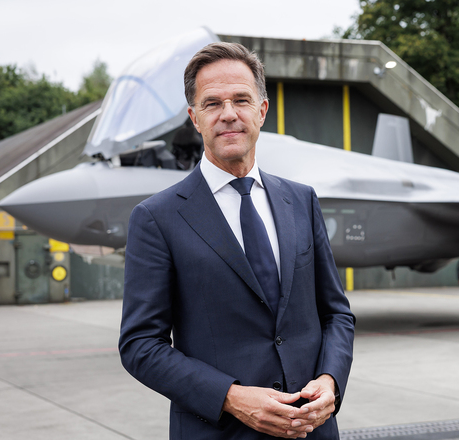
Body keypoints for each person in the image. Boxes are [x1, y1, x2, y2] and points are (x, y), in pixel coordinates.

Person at [119, 42, 355, 439]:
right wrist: (231, 397)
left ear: (261, 111)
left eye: (241, 100)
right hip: (220, 431)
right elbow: (141, 345)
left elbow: (336, 314)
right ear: (195, 118)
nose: (228, 114)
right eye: (212, 103)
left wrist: (330, 380)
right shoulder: (156, 218)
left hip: (312, 430)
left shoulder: (301, 200)